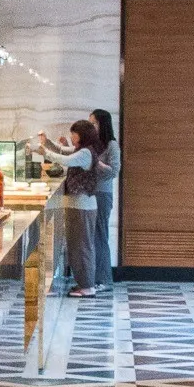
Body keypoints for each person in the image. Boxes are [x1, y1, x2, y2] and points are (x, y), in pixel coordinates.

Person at [37, 118, 101, 296]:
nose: (72, 138)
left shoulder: (86, 153)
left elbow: (64, 159)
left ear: (82, 136)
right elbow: (63, 151)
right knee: (77, 246)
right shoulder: (82, 150)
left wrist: (43, 151)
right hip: (78, 206)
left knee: (81, 247)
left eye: (74, 134)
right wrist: (47, 143)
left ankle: (87, 286)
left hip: (82, 206)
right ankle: (84, 284)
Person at [90, 107, 120, 293]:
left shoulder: (112, 145)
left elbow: (114, 171)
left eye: (94, 123)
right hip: (91, 194)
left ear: (103, 124)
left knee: (100, 236)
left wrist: (97, 163)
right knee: (93, 237)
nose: (91, 127)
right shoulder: (95, 145)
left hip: (102, 195)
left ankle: (104, 280)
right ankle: (94, 278)